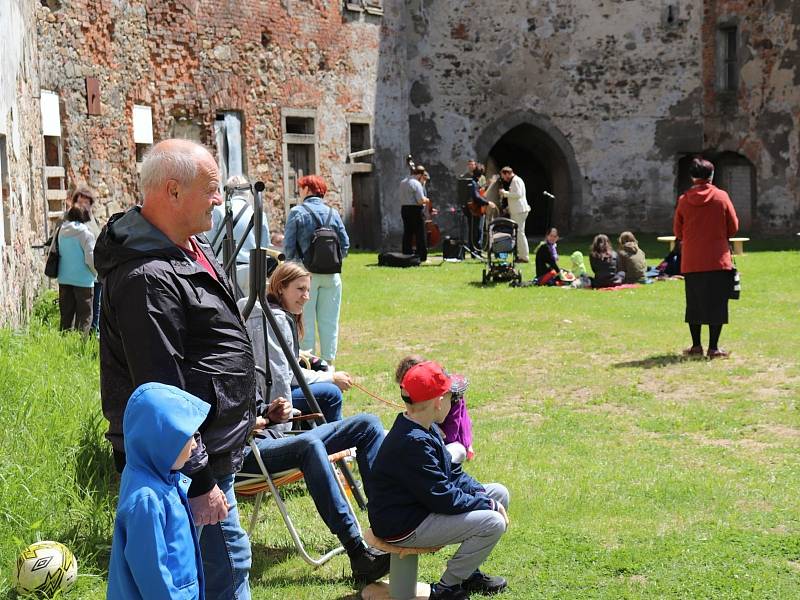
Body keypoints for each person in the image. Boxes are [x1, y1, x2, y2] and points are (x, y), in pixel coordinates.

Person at [95, 139, 255, 599]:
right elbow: (161, 392)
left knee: (219, 571)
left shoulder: (190, 246)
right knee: (225, 571)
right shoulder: (146, 277)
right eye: (211, 188)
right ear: (172, 190)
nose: (219, 199)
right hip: (184, 466)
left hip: (208, 451)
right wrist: (201, 480)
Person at [369, 361, 509, 600]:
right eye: (450, 396)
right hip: (404, 525)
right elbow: (444, 498)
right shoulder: (413, 441)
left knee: (498, 492)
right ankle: (446, 588)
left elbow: (452, 473)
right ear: (437, 402)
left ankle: (466, 573)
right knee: (493, 521)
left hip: (420, 508)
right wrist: (488, 506)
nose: (454, 402)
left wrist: (481, 494)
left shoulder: (423, 426)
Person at [108, 383, 209, 600]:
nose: (194, 446)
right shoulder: (146, 499)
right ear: (161, 441)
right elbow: (152, 574)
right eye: (186, 437)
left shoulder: (160, 476)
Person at [264, 261, 355, 423]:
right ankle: (335, 441)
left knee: (321, 368)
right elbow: (288, 376)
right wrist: (331, 378)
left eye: (307, 290)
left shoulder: (272, 313)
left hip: (271, 391)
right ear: (280, 287)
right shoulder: (278, 320)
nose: (306, 297)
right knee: (330, 393)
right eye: (300, 289)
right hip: (274, 400)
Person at [673, 157, 739, 358]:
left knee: (694, 303)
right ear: (711, 175)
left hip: (692, 260)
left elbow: (678, 230)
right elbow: (733, 226)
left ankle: (695, 346)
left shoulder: (684, 200)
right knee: (717, 304)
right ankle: (713, 347)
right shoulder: (721, 197)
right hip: (717, 258)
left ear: (692, 177)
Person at [283, 175, 349, 366]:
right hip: (332, 275)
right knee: (330, 321)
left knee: (306, 321)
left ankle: (308, 363)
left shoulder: (297, 212)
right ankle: (329, 362)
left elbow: (288, 248)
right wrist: (332, 261)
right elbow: (345, 245)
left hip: (305, 276)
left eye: (301, 187)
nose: (299, 191)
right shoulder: (333, 213)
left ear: (308, 189)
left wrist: (296, 268)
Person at [394, 354, 474, 464]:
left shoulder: (451, 398)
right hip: (431, 439)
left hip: (452, 442)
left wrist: (433, 429)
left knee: (459, 450)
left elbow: (451, 435)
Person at [206, 174, 270, 298]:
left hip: (225, 268)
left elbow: (209, 242)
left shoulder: (219, 210)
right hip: (252, 269)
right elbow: (264, 245)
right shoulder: (258, 213)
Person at [57, 204, 97, 334]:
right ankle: (80, 349)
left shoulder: (61, 231)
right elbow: (90, 259)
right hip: (83, 280)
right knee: (84, 317)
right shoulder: (86, 233)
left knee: (66, 317)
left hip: (64, 279)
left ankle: (63, 346)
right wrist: (96, 274)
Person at [68, 185, 103, 334]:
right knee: (82, 313)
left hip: (95, 273)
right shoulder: (74, 222)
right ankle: (81, 344)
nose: (83, 205)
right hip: (82, 274)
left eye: (86, 202)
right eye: (80, 202)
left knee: (96, 310)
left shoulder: (93, 220)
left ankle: (92, 343)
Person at [399, 165, 432, 262]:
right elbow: (420, 200)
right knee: (420, 233)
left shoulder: (403, 182)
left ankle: (406, 253)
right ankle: (421, 256)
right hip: (415, 210)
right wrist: (427, 200)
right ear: (420, 175)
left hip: (404, 208)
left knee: (407, 232)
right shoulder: (416, 184)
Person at [498, 166, 530, 263]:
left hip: (519, 211)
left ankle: (524, 257)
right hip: (518, 210)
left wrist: (504, 193)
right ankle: (522, 255)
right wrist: (509, 208)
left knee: (520, 234)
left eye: (503, 176)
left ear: (507, 173)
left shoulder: (516, 180)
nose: (503, 178)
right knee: (519, 233)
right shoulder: (516, 180)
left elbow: (518, 194)